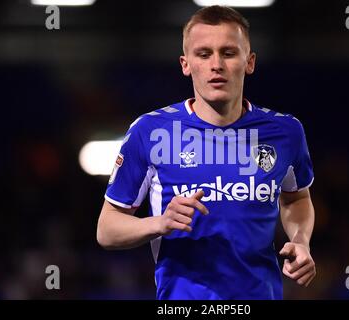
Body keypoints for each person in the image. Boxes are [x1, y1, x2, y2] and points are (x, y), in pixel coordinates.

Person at [97, 5, 316, 300]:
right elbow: (107, 229)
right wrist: (159, 223)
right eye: (204, 54)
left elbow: (297, 197)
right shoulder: (150, 131)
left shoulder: (286, 132)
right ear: (185, 64)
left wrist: (301, 241)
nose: (217, 65)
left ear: (249, 62)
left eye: (228, 53)